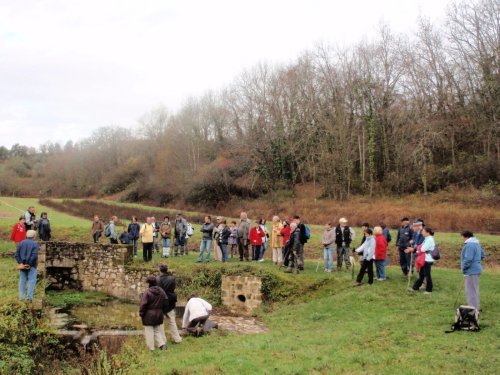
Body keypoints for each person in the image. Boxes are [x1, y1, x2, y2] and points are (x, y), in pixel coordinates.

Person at [139, 275, 167, 351]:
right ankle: (162, 345)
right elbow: (166, 301)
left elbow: (143, 304)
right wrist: (162, 311)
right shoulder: (161, 291)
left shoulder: (147, 292)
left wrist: (141, 314)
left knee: (149, 332)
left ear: (149, 283)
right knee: (157, 330)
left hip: (149, 315)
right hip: (159, 314)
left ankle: (151, 348)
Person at [460, 230, 486, 311]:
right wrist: (477, 261)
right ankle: (475, 306)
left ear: (466, 237)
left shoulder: (470, 245)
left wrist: (464, 268)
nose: (462, 239)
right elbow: (483, 255)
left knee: (470, 291)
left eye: (462, 237)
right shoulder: (476, 243)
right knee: (474, 289)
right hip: (476, 269)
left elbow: (468, 259)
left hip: (471, 271)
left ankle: (473, 309)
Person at [157, 264, 182, 344]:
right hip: (170, 302)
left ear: (160, 270)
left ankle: (163, 341)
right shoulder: (172, 279)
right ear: (167, 270)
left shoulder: (157, 279)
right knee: (172, 321)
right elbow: (173, 289)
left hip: (160, 303)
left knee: (160, 323)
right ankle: (177, 339)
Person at [409, 227, 435, 294]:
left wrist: (418, 249)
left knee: (427, 275)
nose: (422, 232)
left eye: (423, 231)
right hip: (424, 259)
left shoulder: (430, 239)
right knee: (421, 275)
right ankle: (415, 288)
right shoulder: (426, 239)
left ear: (427, 232)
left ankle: (429, 289)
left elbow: (422, 249)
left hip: (427, 259)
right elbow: (420, 247)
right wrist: (418, 249)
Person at [15, 230, 39, 301]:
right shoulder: (35, 244)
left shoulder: (21, 243)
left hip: (22, 265)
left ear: (26, 235)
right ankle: (29, 298)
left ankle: (21, 297)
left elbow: (16, 255)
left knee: (22, 280)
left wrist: (21, 263)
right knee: (32, 281)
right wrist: (28, 264)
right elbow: (34, 256)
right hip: (32, 266)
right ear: (34, 236)